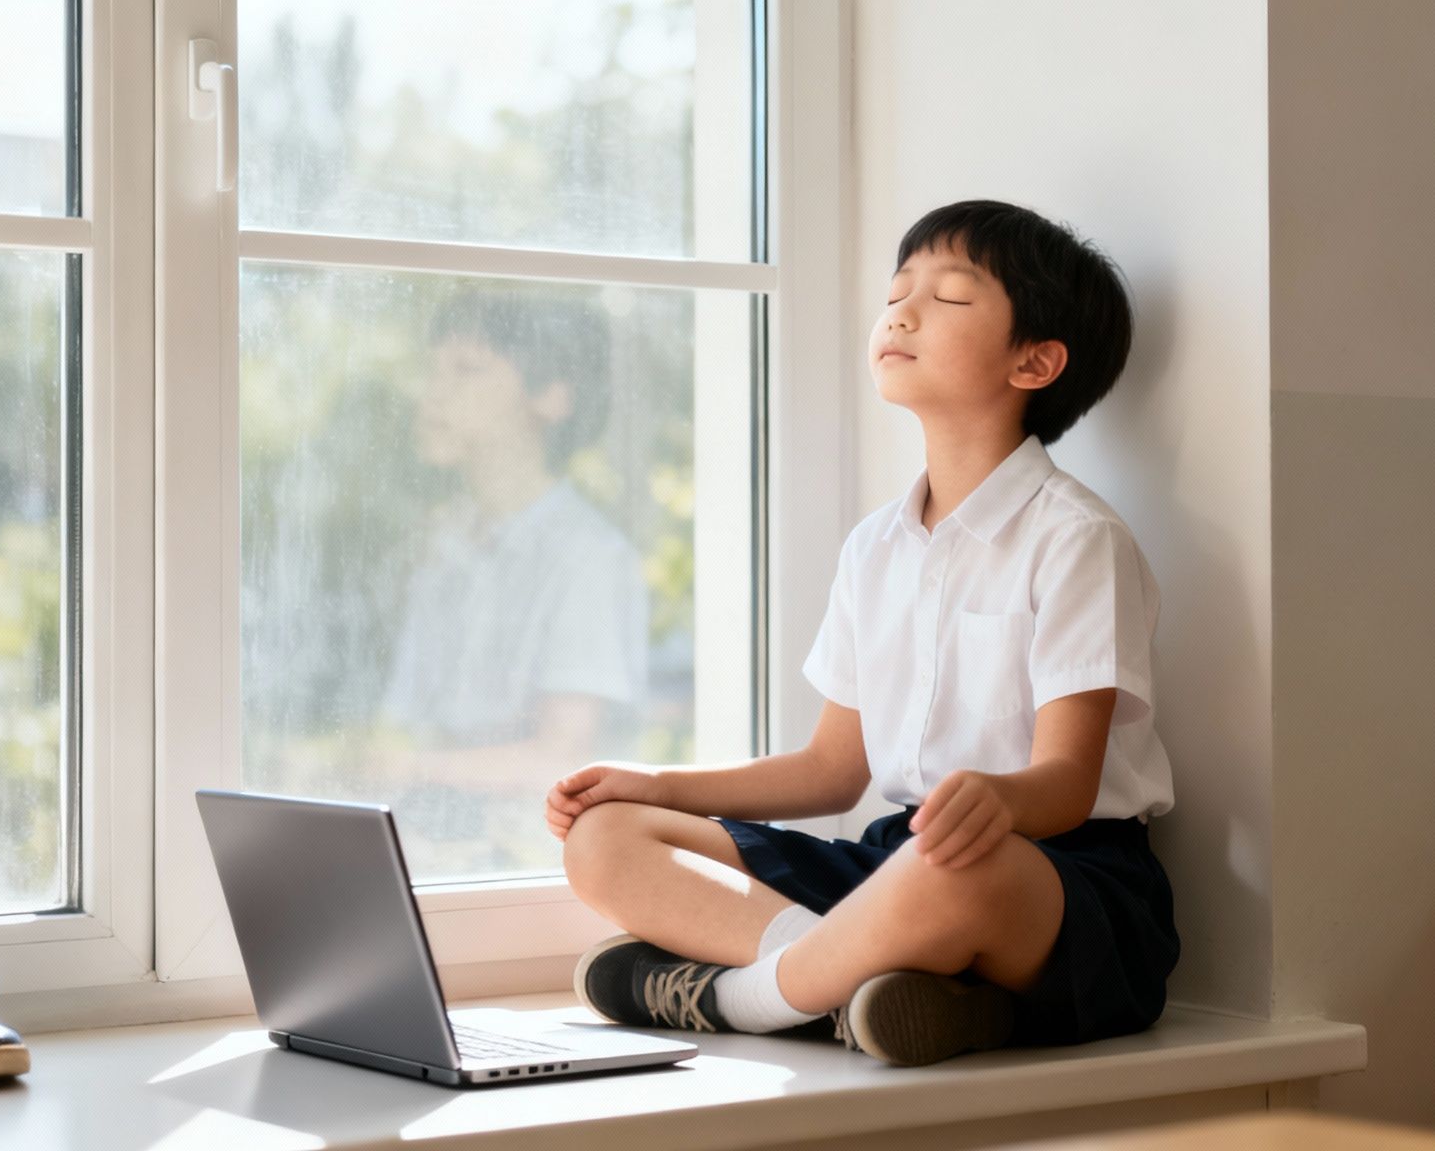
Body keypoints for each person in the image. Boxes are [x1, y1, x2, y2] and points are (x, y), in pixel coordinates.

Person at [548, 199, 1179, 1067]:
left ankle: (747, 996)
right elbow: (831, 770)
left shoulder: (1076, 538)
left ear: (1034, 361)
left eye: (950, 297)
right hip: (899, 859)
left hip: (1055, 876)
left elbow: (1068, 784)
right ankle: (881, 991)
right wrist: (658, 784)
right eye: (897, 292)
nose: (902, 312)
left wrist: (999, 800)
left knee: (955, 871)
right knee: (606, 835)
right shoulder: (875, 546)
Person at [371, 286, 650, 876]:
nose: (433, 393)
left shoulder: (588, 558)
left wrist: (403, 767)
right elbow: (413, 726)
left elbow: (566, 759)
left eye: (466, 370)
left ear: (551, 397)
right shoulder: (443, 549)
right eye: (433, 370)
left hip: (531, 865)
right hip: (435, 838)